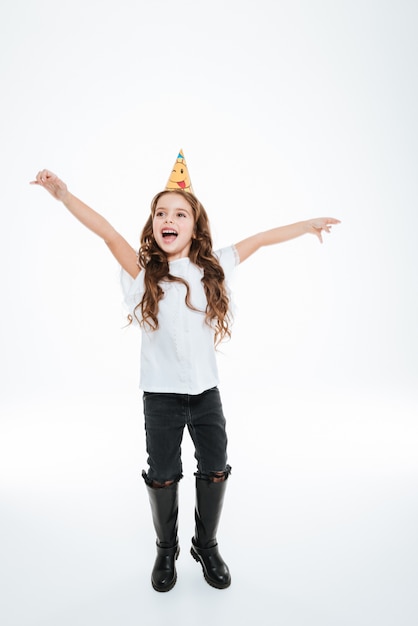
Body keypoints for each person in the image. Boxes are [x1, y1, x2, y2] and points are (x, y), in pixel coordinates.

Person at [31, 153, 340, 593]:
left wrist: (305, 224)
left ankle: (205, 544)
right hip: (160, 395)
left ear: (195, 227)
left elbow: (261, 239)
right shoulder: (143, 273)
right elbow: (107, 233)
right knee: (162, 472)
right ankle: (165, 548)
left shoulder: (213, 266)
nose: (167, 219)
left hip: (205, 393)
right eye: (160, 213)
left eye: (179, 213)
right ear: (153, 223)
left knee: (214, 466)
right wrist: (63, 196)